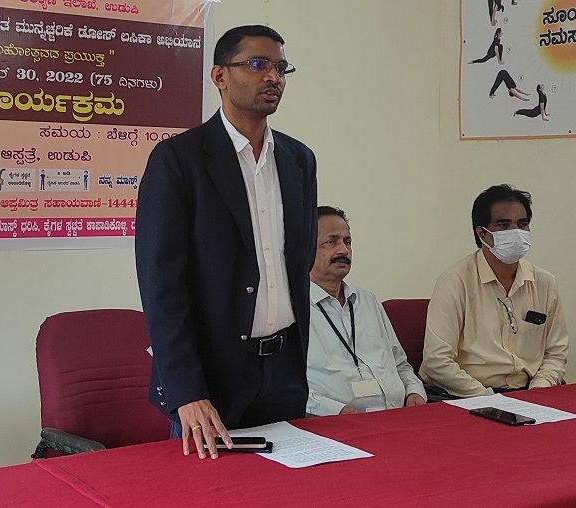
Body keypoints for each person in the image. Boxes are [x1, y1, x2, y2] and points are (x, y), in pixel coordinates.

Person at [135, 24, 317, 460]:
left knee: (288, 489)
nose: (272, 77)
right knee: (210, 490)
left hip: (283, 372)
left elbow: (298, 263)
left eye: (280, 68)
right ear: (220, 76)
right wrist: (186, 391)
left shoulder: (298, 160)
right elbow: (162, 288)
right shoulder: (179, 159)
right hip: (209, 381)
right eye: (257, 64)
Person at [420, 185, 568, 397]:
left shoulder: (545, 283)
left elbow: (555, 353)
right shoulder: (455, 281)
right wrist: (489, 398)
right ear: (481, 233)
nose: (515, 232)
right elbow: (437, 361)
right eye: (503, 225)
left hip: (527, 393)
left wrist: (538, 390)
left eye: (522, 224)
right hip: (466, 395)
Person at [307, 206, 426, 415]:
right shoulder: (292, 310)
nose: (343, 250)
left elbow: (400, 365)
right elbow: (285, 387)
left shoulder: (367, 301)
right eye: (331, 242)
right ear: (305, 248)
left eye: (347, 241)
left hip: (398, 417)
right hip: (333, 424)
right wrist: (336, 411)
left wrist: (414, 393)